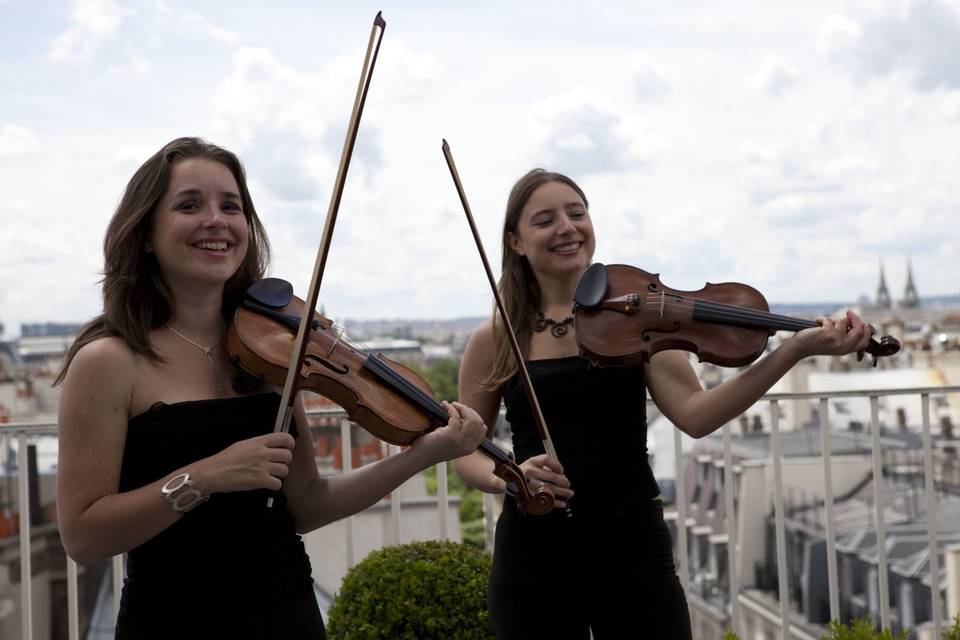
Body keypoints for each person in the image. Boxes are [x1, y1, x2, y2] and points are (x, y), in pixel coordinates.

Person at [55, 137, 487, 639]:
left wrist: (422, 455)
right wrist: (206, 477)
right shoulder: (108, 361)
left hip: (287, 614)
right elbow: (83, 537)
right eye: (189, 204)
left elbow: (304, 503)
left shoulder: (270, 347)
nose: (216, 220)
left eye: (231, 206)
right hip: (172, 620)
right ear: (146, 232)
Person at [453, 168, 872, 639]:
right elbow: (465, 450)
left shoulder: (639, 318)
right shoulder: (494, 339)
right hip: (534, 549)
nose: (568, 228)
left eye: (577, 213)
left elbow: (697, 415)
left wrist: (792, 350)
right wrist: (510, 476)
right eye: (545, 220)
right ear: (516, 241)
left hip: (631, 538)